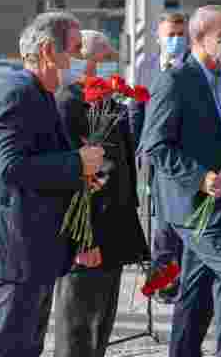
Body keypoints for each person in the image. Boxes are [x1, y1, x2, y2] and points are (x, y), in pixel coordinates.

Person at [0, 11, 105, 357]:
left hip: (36, 247)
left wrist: (80, 176)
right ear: (45, 51)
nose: (78, 59)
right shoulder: (18, 93)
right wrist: (76, 162)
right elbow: (11, 168)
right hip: (18, 248)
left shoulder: (39, 93)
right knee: (10, 347)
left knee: (27, 346)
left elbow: (37, 159)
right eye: (72, 49)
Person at [140, 4, 221, 357]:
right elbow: (154, 144)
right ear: (199, 39)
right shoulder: (175, 80)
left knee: (197, 290)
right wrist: (200, 177)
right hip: (192, 205)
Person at [53, 60, 150, 357]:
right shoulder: (68, 103)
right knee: (78, 329)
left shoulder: (107, 103)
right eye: (102, 56)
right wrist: (83, 238)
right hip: (88, 233)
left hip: (114, 231)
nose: (110, 65)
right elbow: (73, 180)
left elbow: (121, 168)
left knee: (99, 326)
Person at [132, 11, 187, 304]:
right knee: (163, 225)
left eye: (181, 34)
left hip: (186, 158)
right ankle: (165, 282)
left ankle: (183, 279)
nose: (176, 40)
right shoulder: (147, 67)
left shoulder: (193, 66)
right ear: (158, 37)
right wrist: (136, 149)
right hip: (155, 158)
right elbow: (137, 109)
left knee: (182, 223)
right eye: (171, 35)